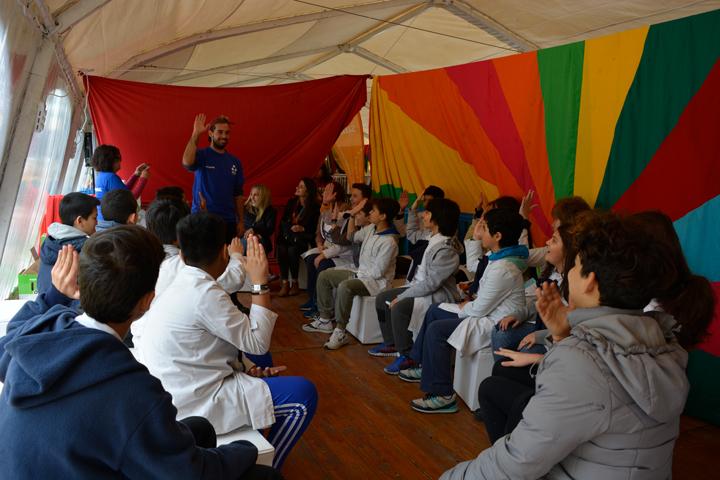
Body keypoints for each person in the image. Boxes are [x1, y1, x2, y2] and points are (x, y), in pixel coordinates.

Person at [441, 211, 712, 480]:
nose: (569, 272)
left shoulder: (582, 362)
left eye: (576, 264)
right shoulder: (665, 343)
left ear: (591, 282)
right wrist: (561, 336)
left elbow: (517, 462)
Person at [0, 228, 281, 479]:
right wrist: (245, 450)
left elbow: (11, 340)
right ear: (147, 302)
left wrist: (54, 296)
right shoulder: (133, 390)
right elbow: (191, 472)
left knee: (199, 427)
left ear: (79, 284)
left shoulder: (34, 338)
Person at [136, 213, 317, 470]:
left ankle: (260, 444)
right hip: (193, 402)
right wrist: (260, 282)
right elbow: (258, 343)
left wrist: (246, 368)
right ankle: (270, 468)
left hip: (176, 384)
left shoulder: (181, 275)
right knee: (303, 396)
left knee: (260, 362)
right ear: (224, 252)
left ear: (182, 254)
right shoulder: (204, 293)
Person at [401, 208, 527, 414]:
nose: (480, 232)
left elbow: (479, 310)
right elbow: (477, 270)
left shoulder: (504, 268)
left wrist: (463, 306)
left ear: (497, 236)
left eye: (484, 229)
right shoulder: (498, 257)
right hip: (483, 312)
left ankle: (443, 394)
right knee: (434, 310)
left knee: (437, 330)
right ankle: (421, 363)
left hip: (493, 322)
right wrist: (476, 236)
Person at [130, 199, 247, 352]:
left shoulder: (144, 258)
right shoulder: (181, 265)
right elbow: (229, 281)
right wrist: (237, 256)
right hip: (179, 348)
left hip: (146, 342)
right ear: (180, 235)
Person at [373, 198, 462, 374]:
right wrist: (411, 211)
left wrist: (404, 296)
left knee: (398, 307)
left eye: (427, 213)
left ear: (438, 218)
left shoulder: (447, 248)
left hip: (436, 294)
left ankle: (408, 355)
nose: (423, 215)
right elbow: (412, 232)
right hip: (419, 287)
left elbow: (431, 284)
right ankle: (392, 343)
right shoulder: (431, 237)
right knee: (382, 298)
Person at [302, 198, 401, 350]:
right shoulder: (371, 229)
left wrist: (355, 275)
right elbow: (351, 236)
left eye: (373, 211)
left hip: (376, 283)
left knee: (345, 286)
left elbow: (378, 272)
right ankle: (325, 320)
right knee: (324, 276)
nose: (370, 213)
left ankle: (340, 331)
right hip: (361, 274)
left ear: (383, 216)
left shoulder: (389, 241)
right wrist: (353, 215)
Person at [182, 114, 245, 243]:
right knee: (203, 260)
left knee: (227, 260)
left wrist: (241, 221)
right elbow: (186, 162)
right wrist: (196, 134)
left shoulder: (235, 162)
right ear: (210, 133)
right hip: (203, 218)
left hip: (228, 221)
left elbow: (238, 194)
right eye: (220, 132)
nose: (224, 136)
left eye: (227, 133)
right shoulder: (201, 155)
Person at [300, 181, 352, 315]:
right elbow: (319, 232)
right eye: (323, 192)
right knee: (310, 259)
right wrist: (319, 245)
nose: (324, 194)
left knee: (321, 263)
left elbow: (342, 240)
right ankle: (312, 298)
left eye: (328, 192)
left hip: (343, 253)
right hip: (328, 248)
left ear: (335, 195)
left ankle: (321, 305)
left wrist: (324, 254)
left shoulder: (345, 210)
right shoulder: (326, 209)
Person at [37, 192, 99, 294]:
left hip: (47, 306)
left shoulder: (50, 242)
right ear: (80, 220)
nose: (97, 223)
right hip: (71, 308)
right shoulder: (85, 251)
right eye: (94, 218)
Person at [276, 178, 321, 297]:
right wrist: (290, 228)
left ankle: (295, 283)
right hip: (289, 236)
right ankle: (285, 282)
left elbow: (315, 229)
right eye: (298, 185)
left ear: (308, 191)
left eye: (301, 187)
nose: (297, 188)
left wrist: (303, 229)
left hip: (304, 239)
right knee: (281, 247)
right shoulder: (292, 203)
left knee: (292, 250)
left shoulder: (315, 207)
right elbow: (284, 221)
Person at [91, 144, 149, 220]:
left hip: (102, 219)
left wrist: (136, 174)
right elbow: (131, 198)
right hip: (110, 221)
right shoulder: (111, 177)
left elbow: (124, 191)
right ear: (110, 161)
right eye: (118, 159)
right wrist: (143, 179)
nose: (120, 162)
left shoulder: (101, 176)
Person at [243, 184, 277, 255]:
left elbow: (269, 229)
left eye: (256, 195)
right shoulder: (245, 209)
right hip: (245, 240)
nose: (252, 197)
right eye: (251, 194)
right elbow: (240, 227)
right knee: (247, 243)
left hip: (261, 241)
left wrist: (255, 230)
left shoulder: (270, 211)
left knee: (257, 244)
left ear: (263, 197)